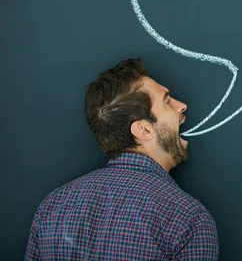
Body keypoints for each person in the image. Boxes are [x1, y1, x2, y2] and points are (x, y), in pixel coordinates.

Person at [24, 58, 219, 260]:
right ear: (142, 129)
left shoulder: (53, 207)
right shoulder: (187, 219)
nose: (182, 106)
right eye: (167, 101)